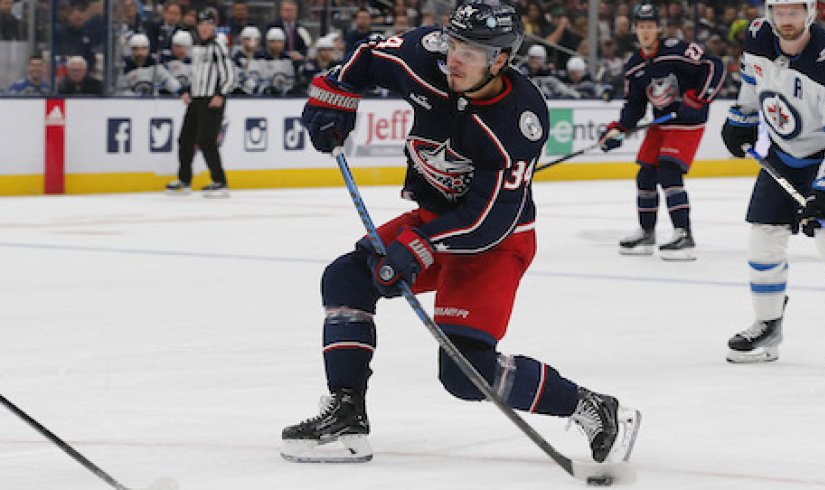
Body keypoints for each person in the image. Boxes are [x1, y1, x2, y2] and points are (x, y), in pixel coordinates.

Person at [280, 0, 641, 466]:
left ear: (500, 60)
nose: (455, 59)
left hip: (496, 242)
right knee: (345, 279)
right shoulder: (423, 56)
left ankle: (593, 407)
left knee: (464, 374)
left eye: (471, 52)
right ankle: (347, 412)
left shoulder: (519, 117)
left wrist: (417, 247)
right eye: (455, 44)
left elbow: (489, 219)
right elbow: (366, 57)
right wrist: (334, 96)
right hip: (433, 220)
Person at [720, 0, 825, 375]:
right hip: (784, 153)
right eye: (780, 12)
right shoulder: (757, 36)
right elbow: (751, 79)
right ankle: (768, 328)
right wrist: (741, 118)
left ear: (810, 13)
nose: (787, 20)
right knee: (763, 238)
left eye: (795, 12)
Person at [599, 3, 725, 261]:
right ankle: (647, 232)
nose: (646, 32)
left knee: (669, 171)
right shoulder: (634, 65)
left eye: (650, 26)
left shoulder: (676, 50)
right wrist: (618, 130)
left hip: (687, 121)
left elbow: (714, 66)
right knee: (645, 175)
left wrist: (699, 99)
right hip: (661, 123)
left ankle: (684, 233)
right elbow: (634, 106)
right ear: (635, 30)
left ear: (659, 28)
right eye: (641, 27)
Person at [166, 7, 235, 198]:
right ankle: (185, 179)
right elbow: (195, 74)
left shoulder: (218, 46)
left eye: (208, 24)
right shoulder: (196, 47)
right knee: (185, 139)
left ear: (214, 26)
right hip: (196, 99)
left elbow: (229, 74)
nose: (204, 28)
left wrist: (221, 94)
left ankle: (220, 181)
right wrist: (188, 90)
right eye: (201, 24)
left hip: (212, 99)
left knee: (206, 141)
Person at [115, 33, 181, 96]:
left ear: (148, 49)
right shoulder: (125, 68)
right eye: (135, 49)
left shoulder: (156, 66)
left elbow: (170, 82)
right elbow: (121, 90)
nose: (139, 52)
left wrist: (180, 91)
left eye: (143, 48)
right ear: (131, 50)